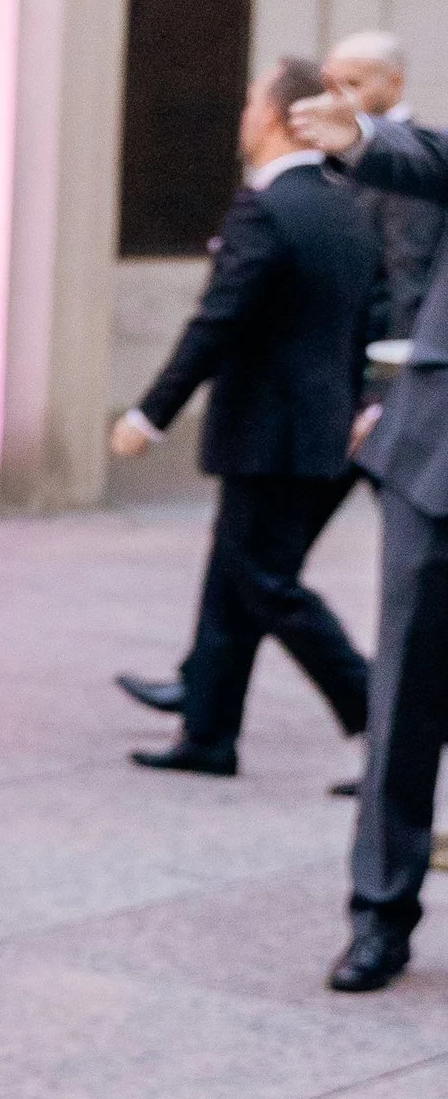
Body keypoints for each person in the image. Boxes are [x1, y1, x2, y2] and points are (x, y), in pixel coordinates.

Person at [111, 57, 377, 778]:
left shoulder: (268, 207)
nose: (242, 117)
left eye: (250, 102)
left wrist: (150, 413)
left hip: (269, 432)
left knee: (265, 582)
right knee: (236, 578)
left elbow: (216, 324)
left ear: (271, 117)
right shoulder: (346, 202)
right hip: (318, 428)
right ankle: (208, 731)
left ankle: (377, 707)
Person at [285, 72, 448, 987]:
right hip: (437, 465)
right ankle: (381, 915)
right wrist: (359, 136)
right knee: (406, 703)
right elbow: (426, 155)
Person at [320, 29, 441, 338]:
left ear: (395, 83)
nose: (340, 98)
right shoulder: (342, 150)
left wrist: (393, 362)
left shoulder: (413, 163)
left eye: (354, 83)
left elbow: (408, 271)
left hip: (379, 348)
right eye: (332, 86)